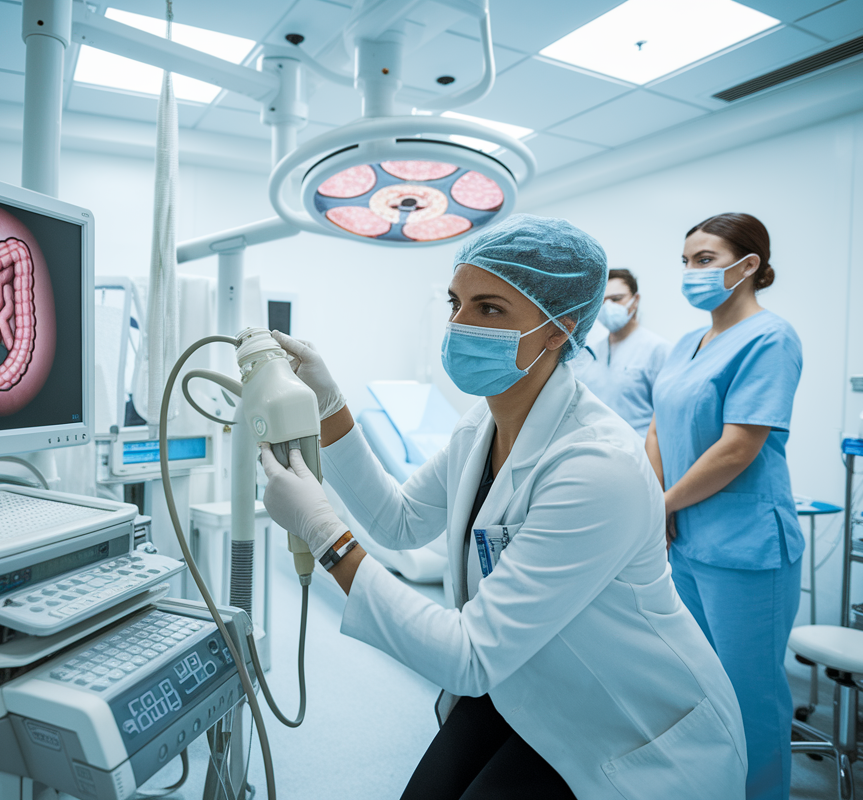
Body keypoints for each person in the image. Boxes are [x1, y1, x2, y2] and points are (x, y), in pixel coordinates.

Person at [259, 214, 747, 800]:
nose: (459, 326)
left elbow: (467, 655)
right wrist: (328, 403)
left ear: (557, 330)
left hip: (633, 729)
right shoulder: (482, 425)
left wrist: (321, 530)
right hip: (528, 683)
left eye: (489, 309)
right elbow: (401, 521)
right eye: (455, 303)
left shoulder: (598, 466)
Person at [646, 213, 803, 800]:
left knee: (749, 695)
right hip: (687, 538)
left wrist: (662, 503)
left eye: (705, 259)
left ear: (749, 265)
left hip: (746, 548)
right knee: (699, 686)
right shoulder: (687, 343)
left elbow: (738, 447)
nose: (692, 272)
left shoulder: (771, 337)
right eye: (686, 261)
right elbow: (659, 428)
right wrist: (656, 504)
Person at [573, 268, 670, 437]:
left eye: (616, 299)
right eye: (602, 302)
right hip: (596, 449)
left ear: (635, 300)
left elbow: (668, 417)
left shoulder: (658, 350)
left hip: (640, 455)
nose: (608, 307)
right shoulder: (590, 352)